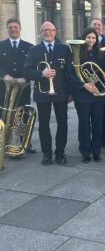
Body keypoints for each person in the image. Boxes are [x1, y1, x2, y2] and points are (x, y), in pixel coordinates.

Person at [24, 22, 72, 165]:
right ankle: (47, 153)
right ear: (41, 32)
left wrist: (70, 93)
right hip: (42, 92)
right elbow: (27, 71)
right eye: (45, 30)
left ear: (55, 32)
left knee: (62, 123)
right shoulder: (33, 50)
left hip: (61, 92)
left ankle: (60, 152)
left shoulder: (65, 49)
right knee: (44, 124)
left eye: (51, 30)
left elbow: (70, 72)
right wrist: (41, 73)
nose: (48, 33)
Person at [68, 28, 105, 163]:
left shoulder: (100, 54)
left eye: (93, 38)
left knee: (98, 124)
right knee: (84, 125)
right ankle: (85, 152)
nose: (91, 40)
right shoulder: (76, 53)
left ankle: (96, 151)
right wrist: (84, 85)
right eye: (88, 37)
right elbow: (70, 74)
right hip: (82, 95)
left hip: (98, 94)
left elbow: (103, 71)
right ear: (84, 38)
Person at [0, 18, 35, 153]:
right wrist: (4, 76)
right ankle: (3, 142)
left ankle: (24, 143)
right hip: (4, 87)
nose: (13, 29)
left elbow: (33, 66)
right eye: (10, 27)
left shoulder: (29, 46)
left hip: (22, 87)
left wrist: (25, 78)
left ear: (20, 28)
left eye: (15, 27)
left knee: (23, 114)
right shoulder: (0, 45)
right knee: (3, 115)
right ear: (7, 29)